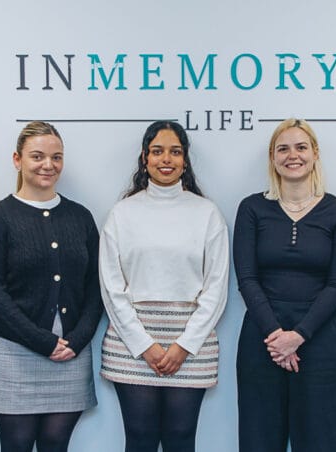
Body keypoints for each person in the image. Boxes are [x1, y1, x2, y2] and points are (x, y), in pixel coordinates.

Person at [99, 121, 229, 452]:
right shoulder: (122, 213)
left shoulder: (207, 213)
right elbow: (111, 288)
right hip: (131, 343)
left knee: (181, 438)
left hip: (192, 343)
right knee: (140, 438)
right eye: (157, 151)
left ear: (185, 160)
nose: (166, 159)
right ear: (145, 158)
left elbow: (216, 288)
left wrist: (184, 345)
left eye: (175, 151)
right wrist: (145, 345)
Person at [0, 121, 103, 452]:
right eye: (37, 156)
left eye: (56, 157)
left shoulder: (80, 217)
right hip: (13, 352)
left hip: (71, 352)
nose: (48, 164)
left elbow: (95, 287)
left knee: (56, 444)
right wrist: (42, 341)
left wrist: (78, 339)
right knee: (16, 445)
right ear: (17, 160)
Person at [232, 118, 336, 451]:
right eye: (283, 149)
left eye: (301, 147)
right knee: (258, 442)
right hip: (262, 341)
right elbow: (247, 278)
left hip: (319, 342)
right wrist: (277, 337)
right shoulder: (252, 208)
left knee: (318, 442)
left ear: (315, 154)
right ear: (273, 158)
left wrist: (298, 336)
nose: (293, 155)